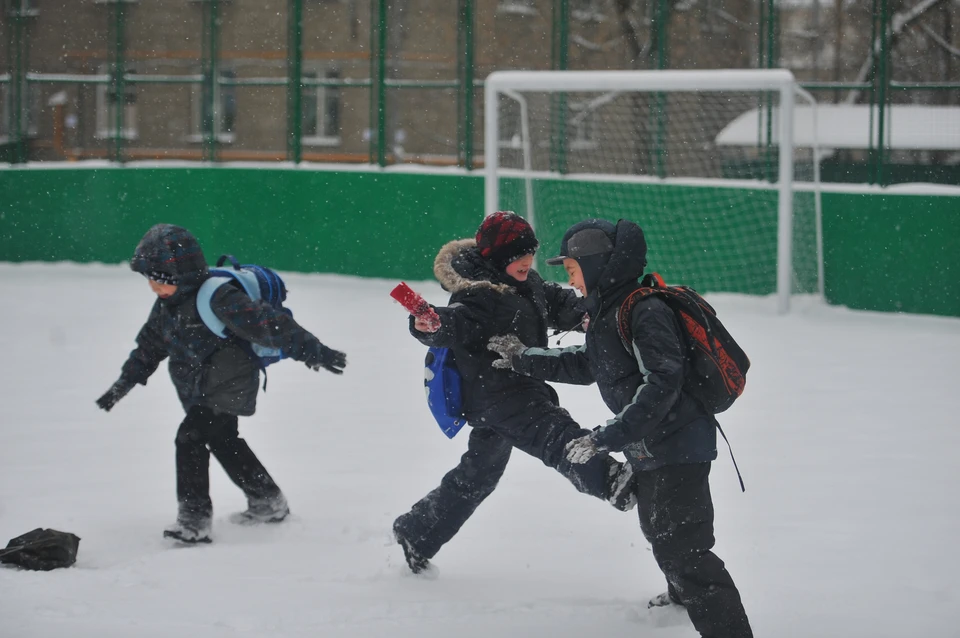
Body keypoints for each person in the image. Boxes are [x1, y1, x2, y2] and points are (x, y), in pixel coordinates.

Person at [488, 219, 752, 638]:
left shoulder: (643, 310)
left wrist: (607, 436)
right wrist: (523, 359)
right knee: (659, 527)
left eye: (572, 269)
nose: (570, 281)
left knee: (686, 550)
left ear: (594, 264)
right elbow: (585, 362)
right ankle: (681, 597)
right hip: (652, 446)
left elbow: (662, 384)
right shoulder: (611, 311)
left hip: (679, 446)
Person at [393, 211, 637, 574]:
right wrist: (428, 324)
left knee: (481, 472)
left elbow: (554, 302)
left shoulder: (527, 281)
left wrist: (588, 312)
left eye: (530, 255)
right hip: (498, 394)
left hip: (514, 388)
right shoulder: (477, 298)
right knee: (555, 434)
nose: (528, 263)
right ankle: (611, 481)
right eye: (519, 258)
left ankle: (417, 530)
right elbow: (451, 323)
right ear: (498, 260)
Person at [95, 223, 347, 544]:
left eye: (160, 281)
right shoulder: (166, 307)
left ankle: (194, 520)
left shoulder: (219, 297)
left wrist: (313, 351)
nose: (154, 288)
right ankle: (267, 500)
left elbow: (269, 325)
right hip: (196, 384)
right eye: (150, 280)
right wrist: (124, 383)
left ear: (180, 277)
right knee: (223, 440)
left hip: (230, 382)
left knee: (189, 437)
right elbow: (149, 347)